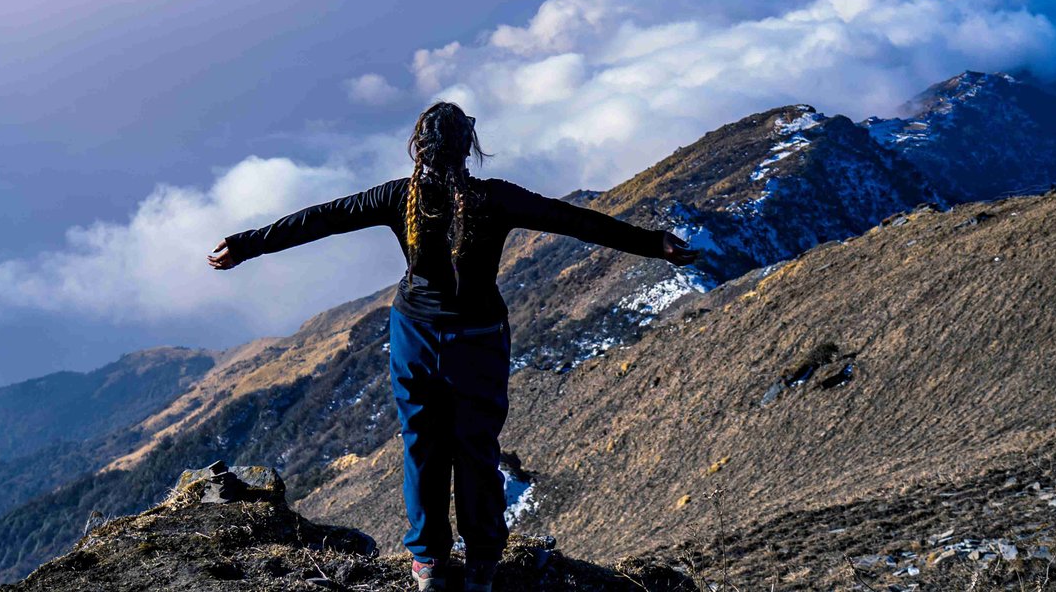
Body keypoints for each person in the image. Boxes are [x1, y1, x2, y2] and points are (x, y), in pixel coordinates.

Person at [207, 100, 698, 592]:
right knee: (475, 447)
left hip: (415, 336)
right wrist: (653, 243)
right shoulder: (496, 198)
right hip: (478, 341)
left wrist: (246, 244)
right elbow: (574, 220)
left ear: (418, 149)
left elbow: (322, 218)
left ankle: (429, 564)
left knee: (422, 444)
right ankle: (482, 563)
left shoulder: (397, 197)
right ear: (469, 149)